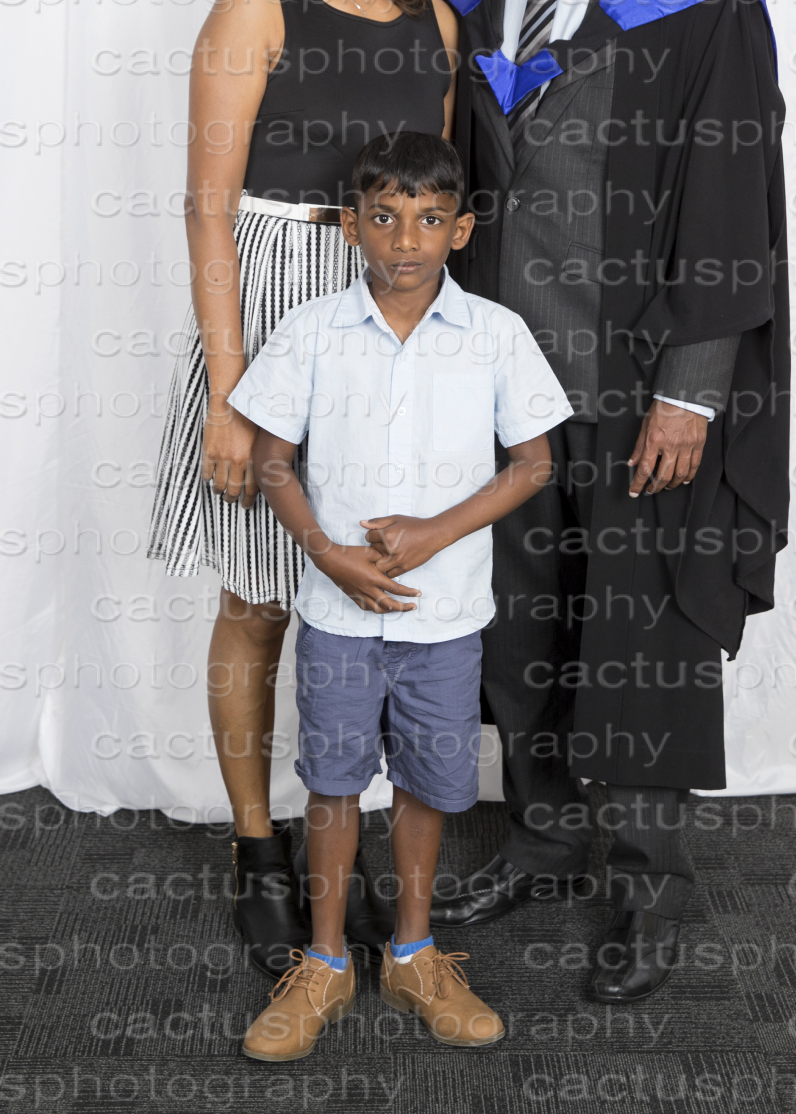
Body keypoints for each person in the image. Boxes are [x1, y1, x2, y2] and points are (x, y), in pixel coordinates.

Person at [424, 0, 790, 1002]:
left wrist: (694, 388)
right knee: (518, 617)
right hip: (499, 379)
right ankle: (539, 836)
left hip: (639, 382)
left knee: (637, 631)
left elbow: (732, 205)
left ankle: (645, 879)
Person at [148, 0, 460, 977]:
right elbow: (208, 210)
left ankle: (348, 833)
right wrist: (236, 397)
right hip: (273, 312)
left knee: (367, 589)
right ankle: (254, 843)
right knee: (261, 595)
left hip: (380, 317)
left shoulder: (433, 22)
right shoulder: (255, 2)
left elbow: (427, 201)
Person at [227, 132, 573, 1061]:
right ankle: (326, 962)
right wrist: (329, 557)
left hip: (444, 617)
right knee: (334, 781)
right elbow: (272, 462)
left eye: (429, 219)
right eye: (384, 217)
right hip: (337, 614)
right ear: (351, 227)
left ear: (461, 230)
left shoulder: (496, 333)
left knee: (430, 781)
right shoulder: (310, 330)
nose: (406, 239)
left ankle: (415, 954)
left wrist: (432, 533)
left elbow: (533, 464)